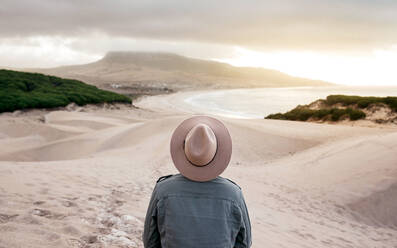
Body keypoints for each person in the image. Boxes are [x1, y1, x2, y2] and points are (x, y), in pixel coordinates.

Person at [143, 116, 252, 248]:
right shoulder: (233, 193)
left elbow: (150, 240)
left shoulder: (162, 189)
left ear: (184, 150)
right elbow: (245, 242)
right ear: (216, 151)